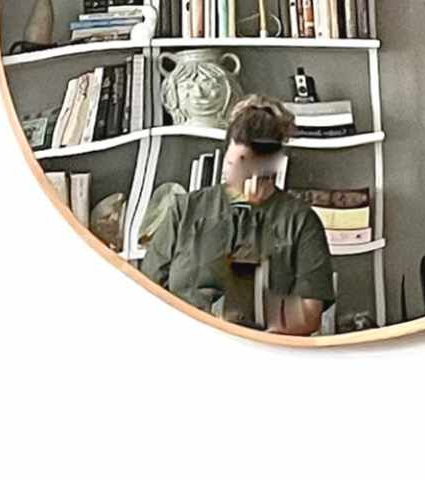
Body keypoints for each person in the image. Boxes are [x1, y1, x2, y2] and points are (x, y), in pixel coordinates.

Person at [140, 95, 334, 337]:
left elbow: (310, 314)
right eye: (231, 163)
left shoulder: (301, 221)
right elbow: (147, 292)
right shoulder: (185, 209)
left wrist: (258, 339)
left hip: (261, 351)